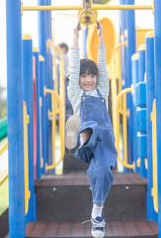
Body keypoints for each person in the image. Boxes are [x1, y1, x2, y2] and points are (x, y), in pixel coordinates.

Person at [65, 23, 117, 238]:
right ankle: (80, 137)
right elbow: (75, 63)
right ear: (77, 79)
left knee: (102, 172)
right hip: (86, 142)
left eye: (92, 76)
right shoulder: (75, 93)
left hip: (104, 141)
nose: (88, 79)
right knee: (92, 125)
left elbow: (103, 65)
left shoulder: (102, 89)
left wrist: (101, 36)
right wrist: (75, 36)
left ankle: (97, 216)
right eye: (84, 76)